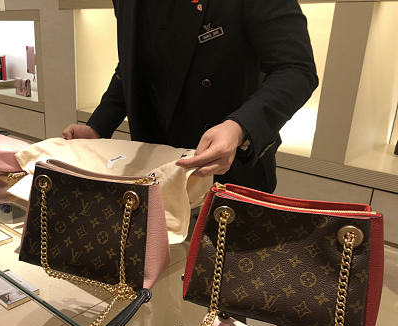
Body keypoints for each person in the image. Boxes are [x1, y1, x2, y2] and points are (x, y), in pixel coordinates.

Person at [63, 0, 318, 193]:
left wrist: (238, 127)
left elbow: (296, 70)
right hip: (152, 168)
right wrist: (98, 127)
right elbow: (131, 65)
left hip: (229, 172)